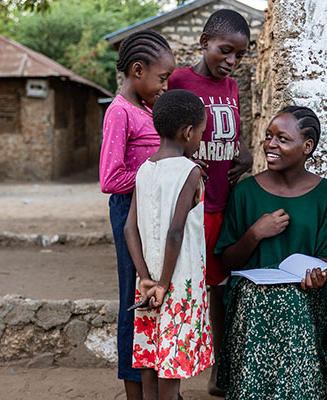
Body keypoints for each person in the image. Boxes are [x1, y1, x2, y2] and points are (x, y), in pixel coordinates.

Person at [215, 106, 327, 400]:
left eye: (283, 139)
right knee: (265, 299)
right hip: (252, 291)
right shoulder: (245, 192)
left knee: (292, 300)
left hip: (308, 294)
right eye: (268, 137)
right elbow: (228, 261)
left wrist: (319, 275)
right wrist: (255, 233)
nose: (271, 145)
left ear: (307, 147)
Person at [166, 9, 253, 395]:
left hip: (224, 203)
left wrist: (245, 153)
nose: (231, 61)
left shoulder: (231, 88)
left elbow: (232, 133)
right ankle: (175, 373)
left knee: (220, 291)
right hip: (194, 206)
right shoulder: (179, 81)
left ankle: (221, 369)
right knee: (185, 289)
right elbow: (166, 135)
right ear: (204, 43)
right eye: (225, 51)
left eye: (239, 55)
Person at [98, 30, 175, 400]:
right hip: (130, 213)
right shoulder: (119, 112)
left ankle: (156, 384)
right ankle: (134, 389)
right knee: (135, 297)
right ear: (138, 70)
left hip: (152, 214)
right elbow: (110, 178)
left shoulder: (145, 110)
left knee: (154, 295)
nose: (165, 85)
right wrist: (155, 171)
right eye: (162, 78)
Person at [125, 89, 213, 400]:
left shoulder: (145, 169)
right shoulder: (189, 171)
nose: (200, 139)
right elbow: (176, 232)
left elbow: (129, 229)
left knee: (150, 356)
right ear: (188, 132)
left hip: (147, 282)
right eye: (201, 133)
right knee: (171, 364)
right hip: (178, 283)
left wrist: (146, 278)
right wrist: (163, 283)